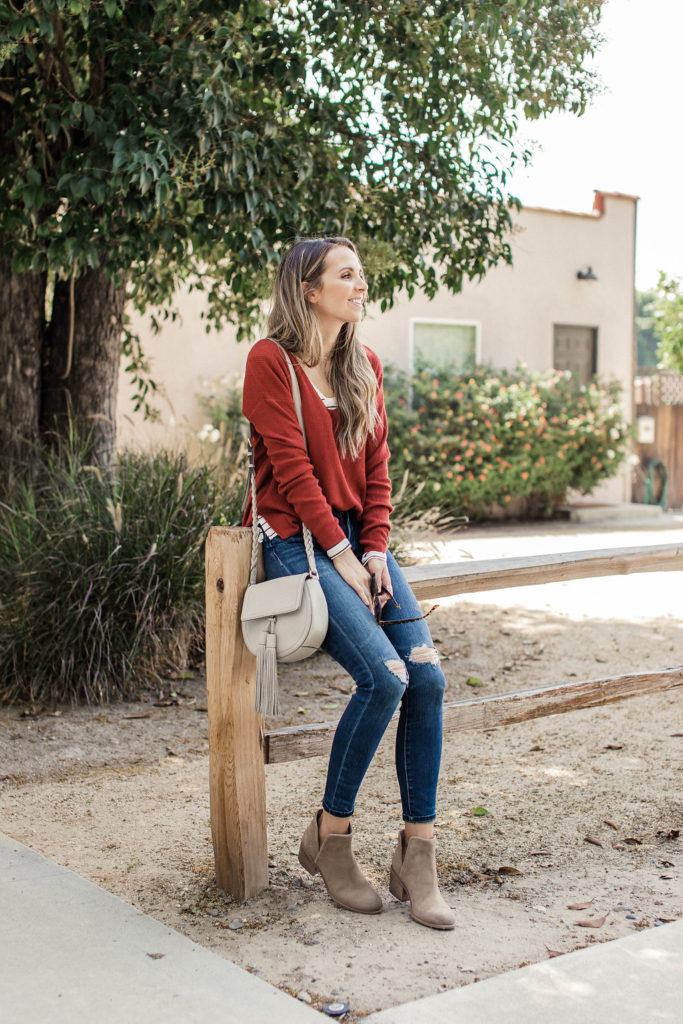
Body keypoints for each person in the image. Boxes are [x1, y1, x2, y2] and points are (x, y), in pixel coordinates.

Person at [242, 237, 454, 930]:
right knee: (384, 678)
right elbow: (294, 473)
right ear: (308, 288)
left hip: (356, 547)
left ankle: (415, 853)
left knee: (427, 677)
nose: (359, 284)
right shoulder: (269, 362)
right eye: (345, 274)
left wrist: (375, 552)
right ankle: (330, 838)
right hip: (296, 545)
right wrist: (341, 558)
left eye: (360, 274)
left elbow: (379, 471)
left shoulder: (363, 364)